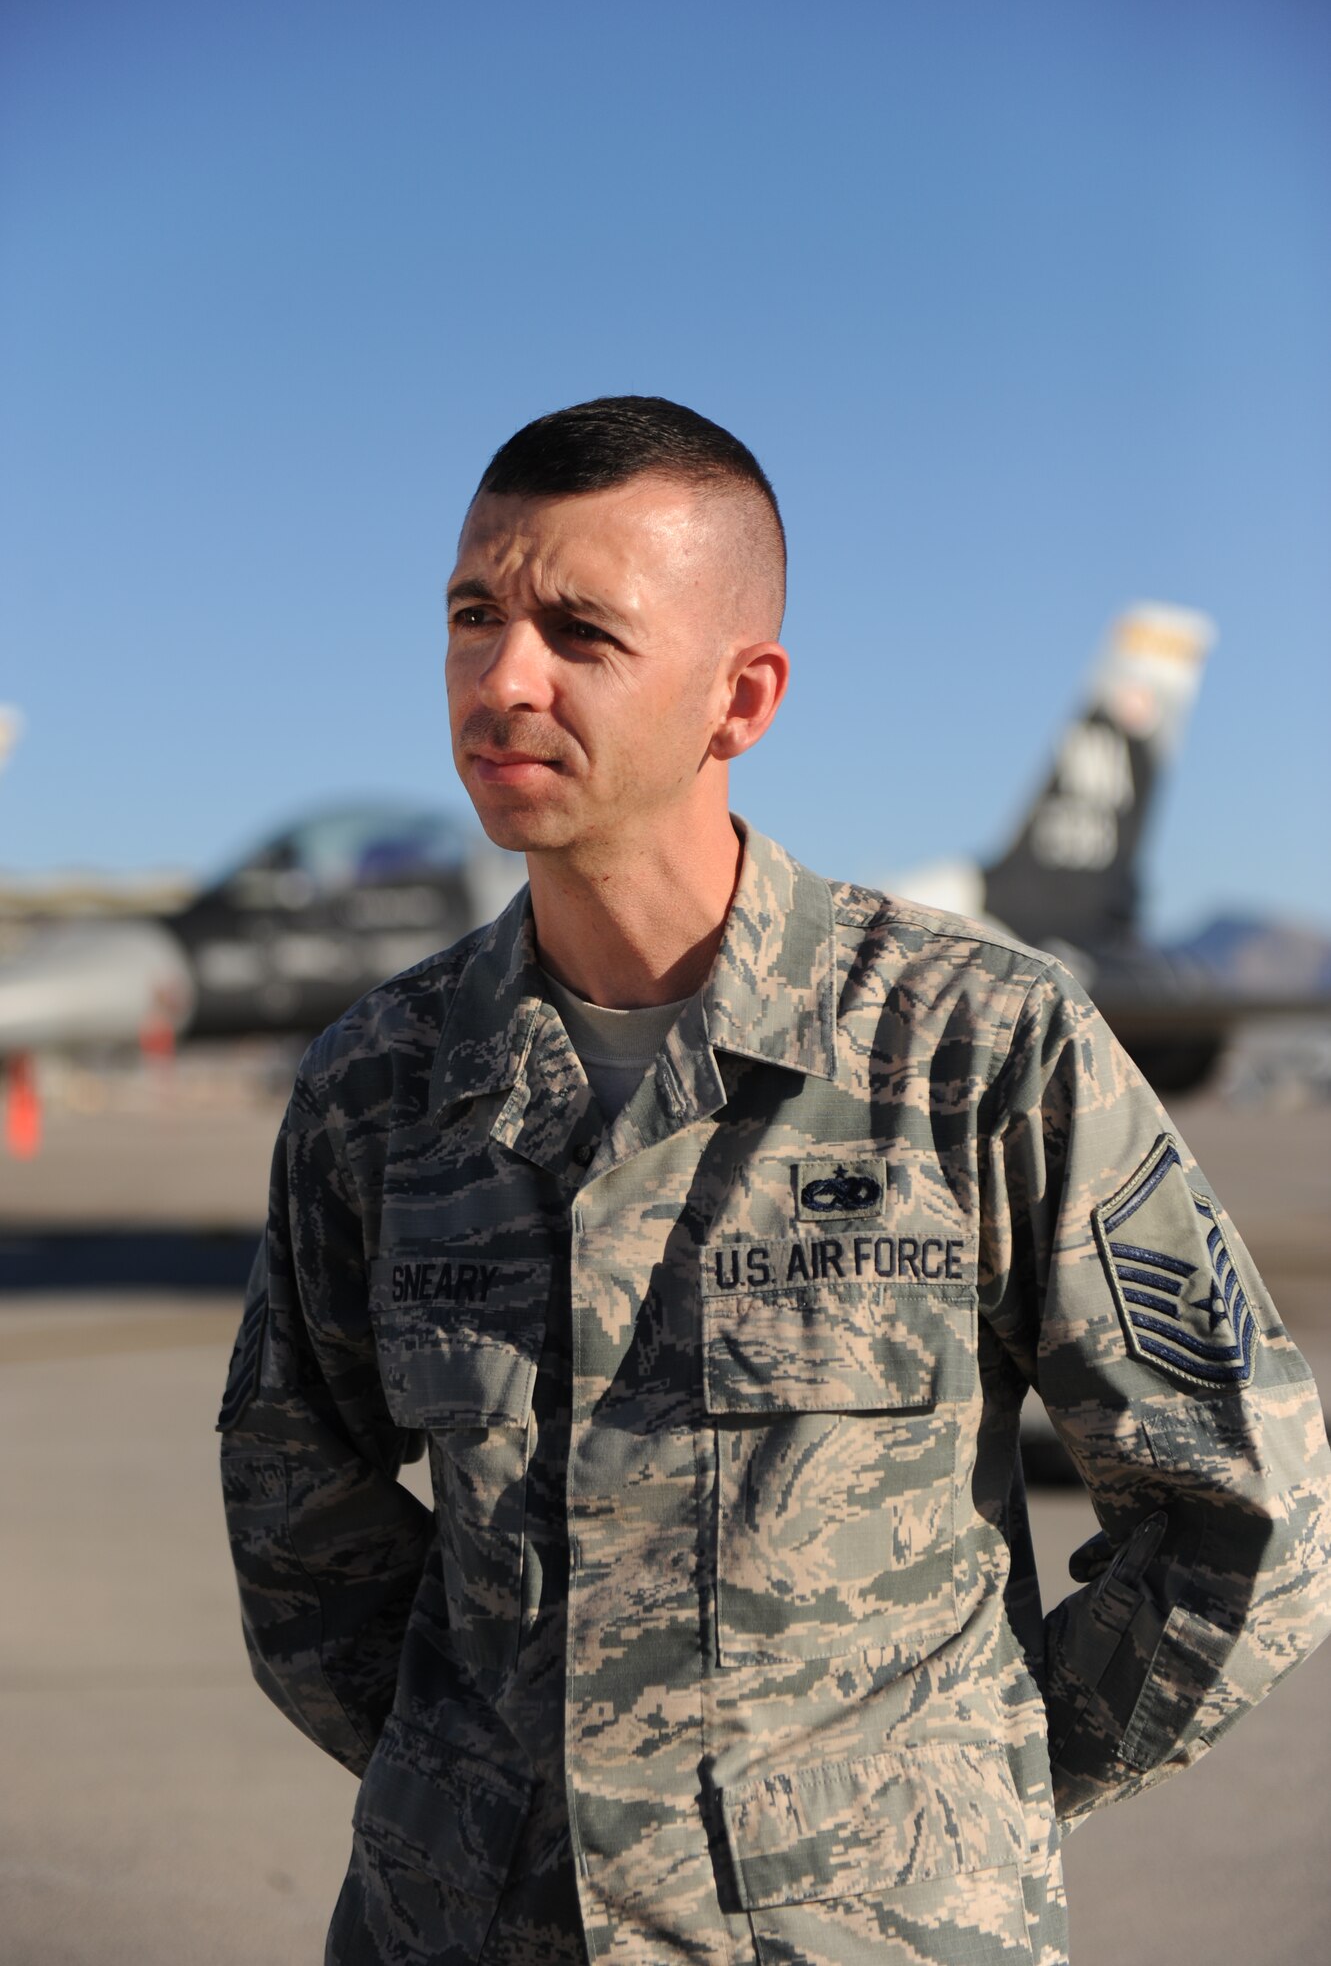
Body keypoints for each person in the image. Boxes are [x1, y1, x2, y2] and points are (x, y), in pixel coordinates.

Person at [219, 396, 1331, 1965]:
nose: (503, 676)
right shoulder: (379, 1086)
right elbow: (292, 1516)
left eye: (580, 632)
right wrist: (496, 1798)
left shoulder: (975, 1045)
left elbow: (1245, 1512)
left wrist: (945, 1815)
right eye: (477, 614)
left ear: (740, 699)